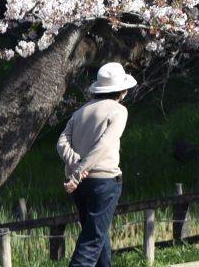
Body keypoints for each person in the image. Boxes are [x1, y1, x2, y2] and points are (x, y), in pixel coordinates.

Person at [57, 62, 138, 267]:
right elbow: (103, 145)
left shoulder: (81, 111)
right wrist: (80, 170)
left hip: (81, 185)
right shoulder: (119, 111)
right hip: (103, 181)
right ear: (121, 91)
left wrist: (76, 164)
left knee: (97, 237)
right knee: (92, 241)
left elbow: (61, 142)